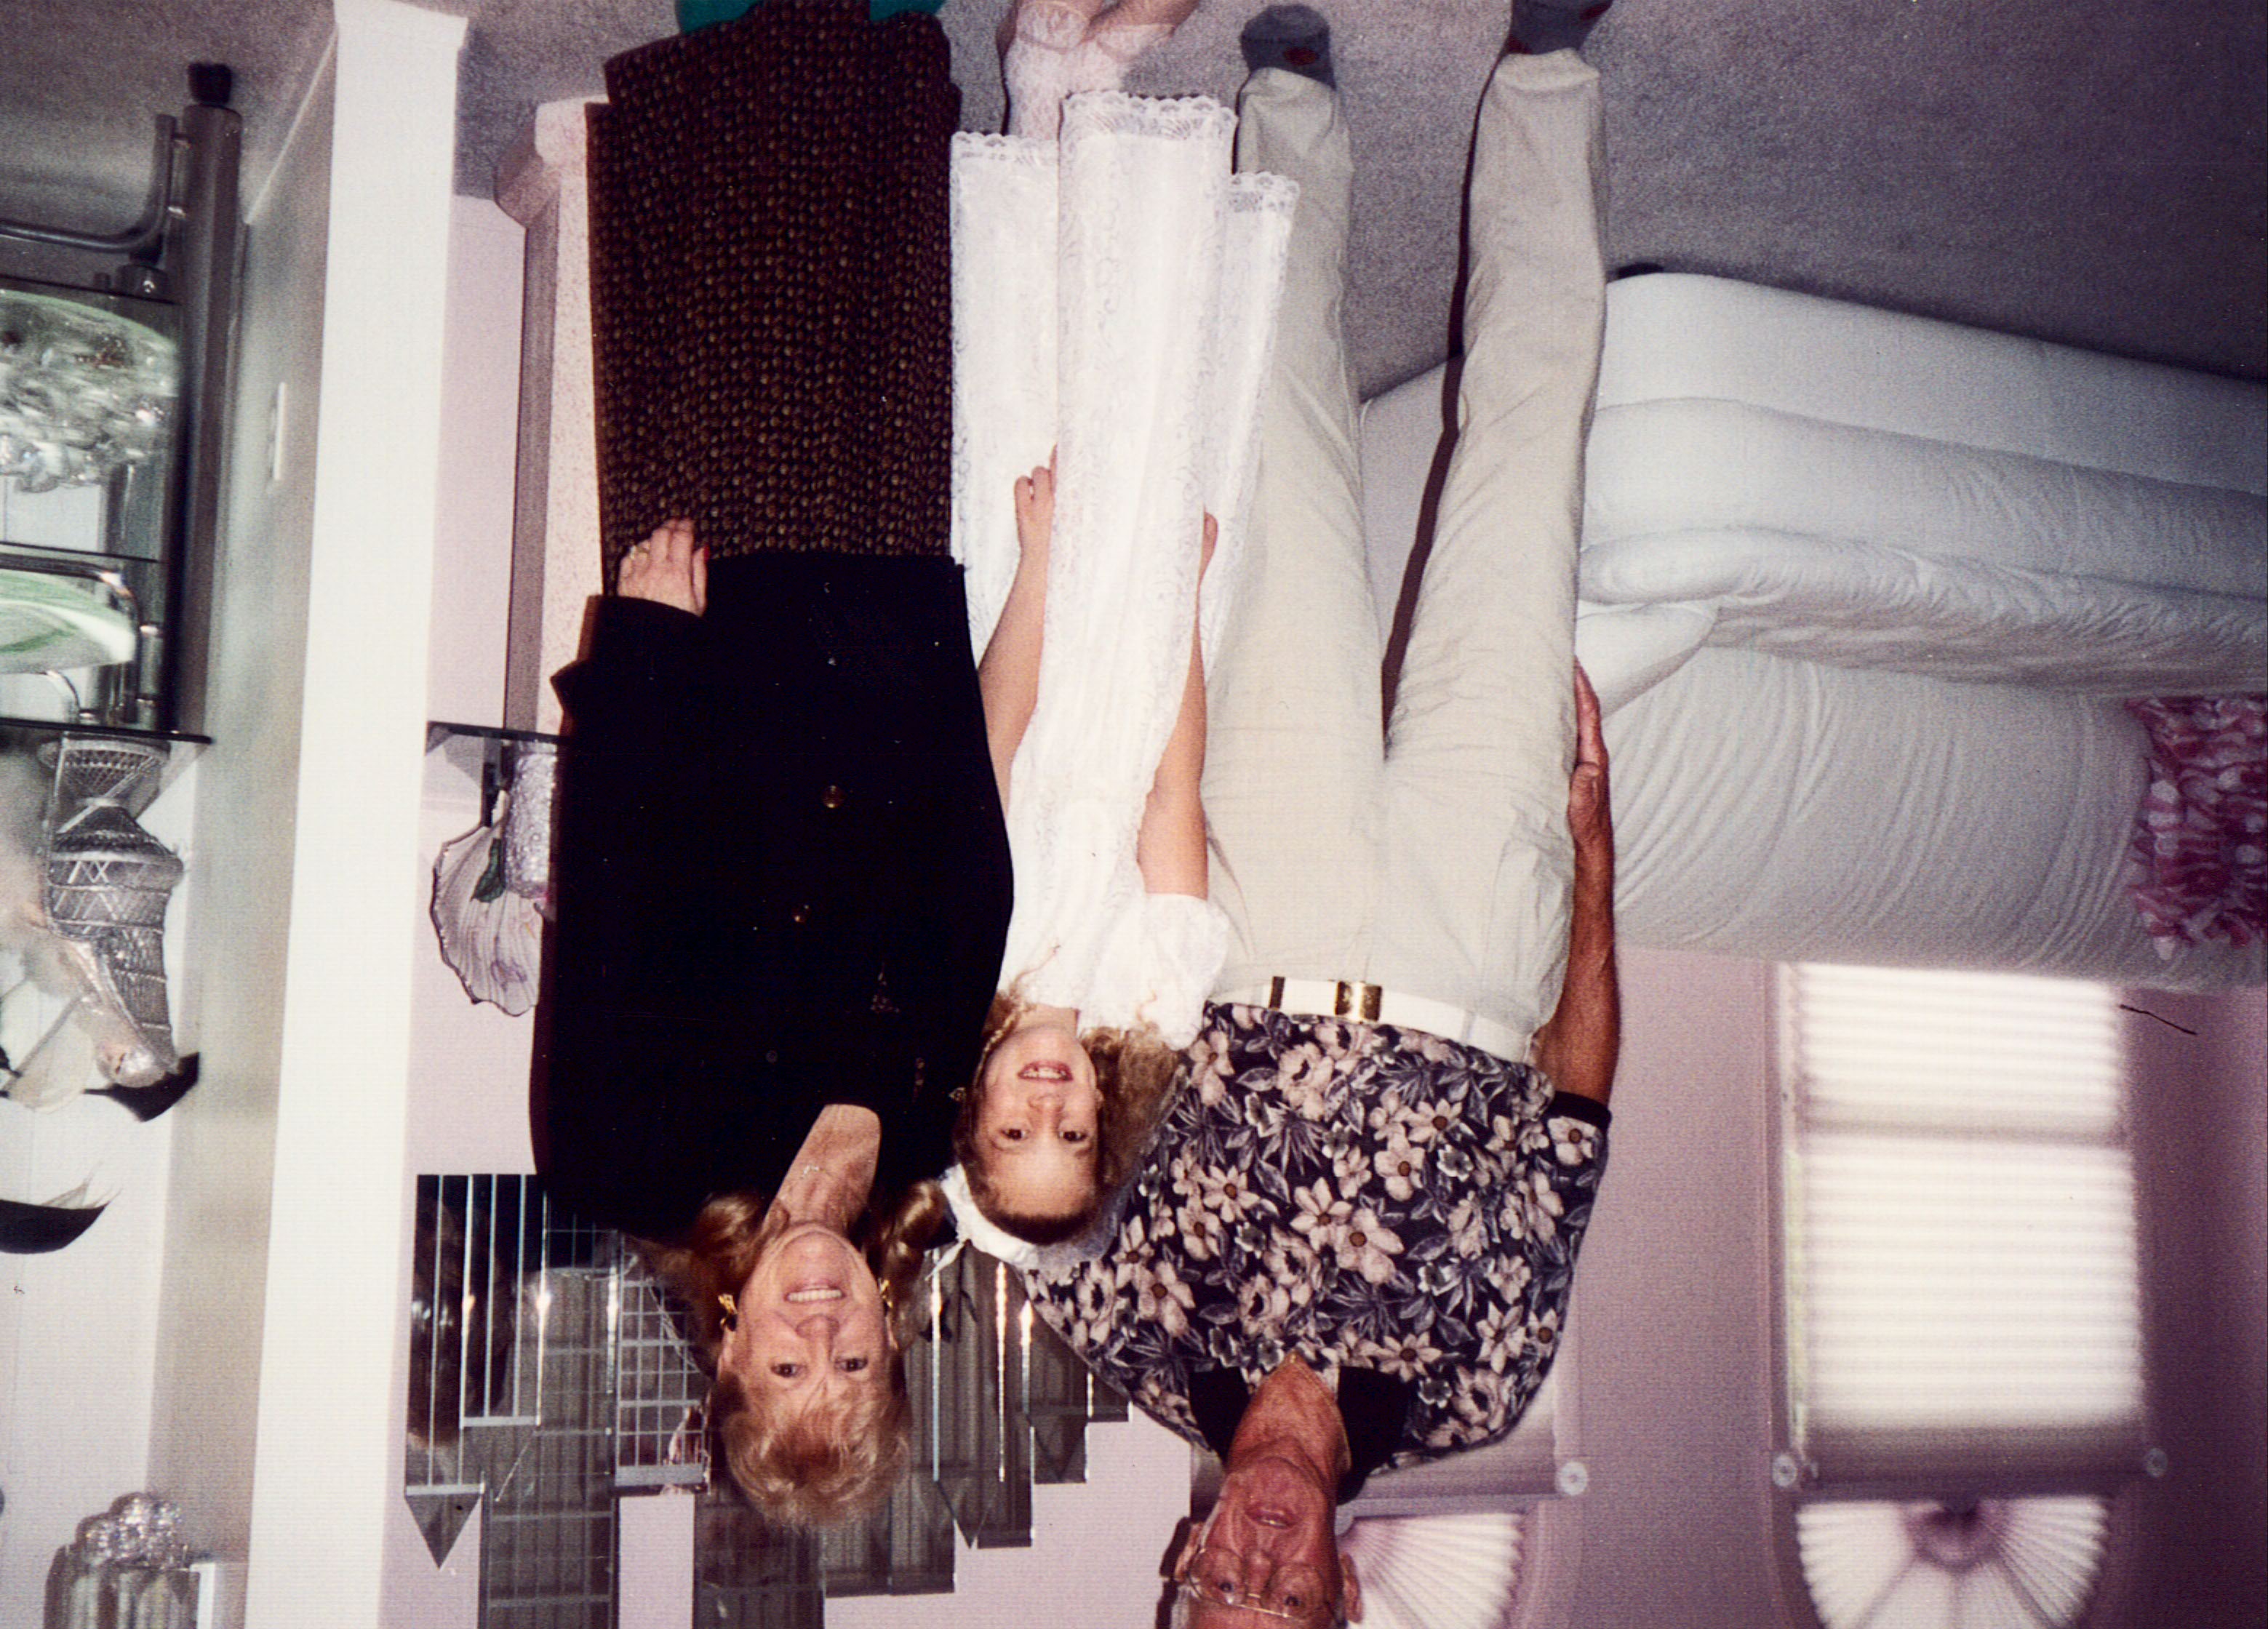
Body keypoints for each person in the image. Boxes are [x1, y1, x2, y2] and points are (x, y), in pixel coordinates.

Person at [1020, 30, 1621, 1625]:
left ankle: (1289, 114)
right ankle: (1547, 77)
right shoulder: (1476, 1391)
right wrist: (1594, 864)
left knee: (1280, 466)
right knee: (1523, 484)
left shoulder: (1118, 1320)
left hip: (1264, 914)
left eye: (1217, 1587)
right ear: (1343, 1596)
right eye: (1281, 1603)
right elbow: (1572, 1117)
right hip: (1476, 939)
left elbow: (1085, 1040)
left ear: (1181, 1561)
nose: (1256, 1558)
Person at [532, 1, 1007, 1526]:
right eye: (849, 1366)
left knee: (743, 229)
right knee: (882, 270)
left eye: (787, 1369)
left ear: (724, 1356)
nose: (817, 1331)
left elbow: (606, 904)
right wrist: (945, 668)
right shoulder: (929, 1160)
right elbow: (967, 904)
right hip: (886, 640)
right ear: (890, 1342)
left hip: (722, 642)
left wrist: (645, 655)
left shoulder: (623, 1167)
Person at [939, 24, 1297, 1252]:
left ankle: (1042, 72)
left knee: (1032, 390)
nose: (1047, 1107)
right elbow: (1171, 791)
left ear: (972, 1113)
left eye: (1015, 1132)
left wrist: (1041, 563)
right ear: (1107, 1117)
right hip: (1143, 672)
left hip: (1020, 638)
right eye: (1073, 1134)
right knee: (1139, 409)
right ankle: (1095, 95)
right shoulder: (1154, 1000)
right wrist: (1178, 598)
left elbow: (988, 741)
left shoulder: (961, 972)